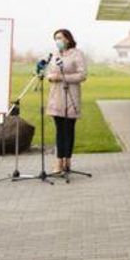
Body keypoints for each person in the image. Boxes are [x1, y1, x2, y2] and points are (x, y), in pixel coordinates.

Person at [45, 29, 87, 174]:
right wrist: (50, 76)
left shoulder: (77, 54)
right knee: (59, 131)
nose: (57, 41)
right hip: (56, 96)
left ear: (67, 39)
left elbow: (82, 75)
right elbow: (49, 72)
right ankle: (58, 161)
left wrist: (63, 78)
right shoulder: (55, 55)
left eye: (60, 38)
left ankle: (67, 160)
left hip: (70, 96)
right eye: (55, 38)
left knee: (68, 130)